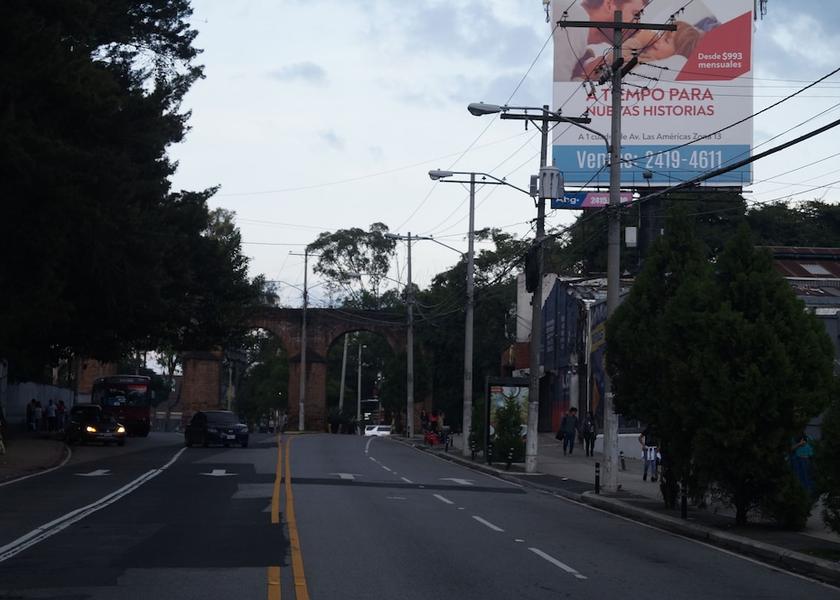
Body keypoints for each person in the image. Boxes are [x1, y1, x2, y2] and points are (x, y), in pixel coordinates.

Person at [553, 0, 652, 82]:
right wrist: (584, 77)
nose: (637, 27)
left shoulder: (580, 45)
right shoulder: (575, 19)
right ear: (609, 5)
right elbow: (560, 81)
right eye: (635, 14)